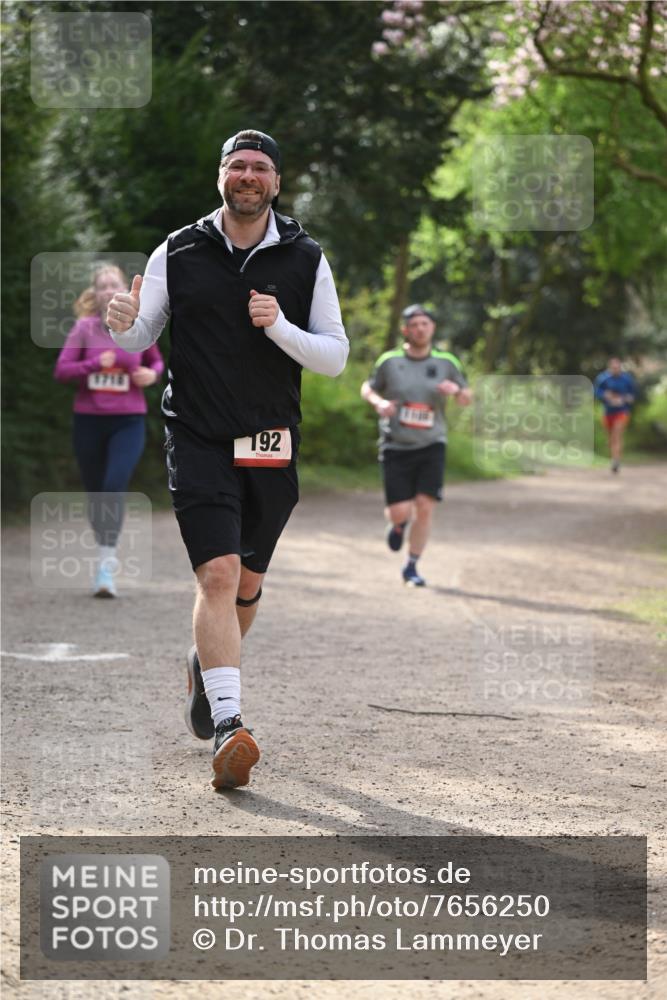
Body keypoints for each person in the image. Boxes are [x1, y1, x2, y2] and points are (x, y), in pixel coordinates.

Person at [105, 129, 348, 790]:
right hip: (198, 435)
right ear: (221, 176)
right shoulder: (178, 250)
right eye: (237, 165)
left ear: (275, 181)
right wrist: (120, 321)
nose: (247, 175)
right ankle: (230, 725)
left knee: (245, 584)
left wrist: (280, 327)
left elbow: (334, 356)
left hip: (270, 440)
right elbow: (135, 338)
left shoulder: (304, 257)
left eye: (259, 167)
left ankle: (202, 664)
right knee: (215, 574)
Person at [54, 263, 164, 597]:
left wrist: (153, 375)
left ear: (123, 288)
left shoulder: (137, 326)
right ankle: (103, 550)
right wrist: (91, 365)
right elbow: (62, 371)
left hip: (128, 420)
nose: (106, 289)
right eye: (100, 285)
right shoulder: (85, 329)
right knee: (96, 492)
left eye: (112, 283)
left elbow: (155, 361)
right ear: (95, 293)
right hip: (89, 420)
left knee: (114, 485)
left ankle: (106, 565)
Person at [361, 304, 471, 587]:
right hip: (395, 444)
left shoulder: (447, 362)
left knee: (425, 505)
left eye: (425, 323)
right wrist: (379, 403)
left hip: (432, 443)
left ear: (432, 328)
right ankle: (398, 524)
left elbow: (466, 397)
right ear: (405, 330)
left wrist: (456, 391)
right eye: (415, 324)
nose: (420, 328)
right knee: (401, 510)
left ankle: (411, 566)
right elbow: (368, 387)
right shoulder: (389, 361)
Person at [593, 357, 637, 474]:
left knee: (617, 435)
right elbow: (596, 392)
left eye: (617, 367)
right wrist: (605, 395)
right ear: (610, 368)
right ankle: (614, 457)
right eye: (613, 368)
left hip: (622, 412)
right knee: (610, 439)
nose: (615, 369)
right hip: (607, 412)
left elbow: (632, 395)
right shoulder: (602, 378)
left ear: (620, 367)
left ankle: (616, 461)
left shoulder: (627, 379)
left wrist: (626, 399)